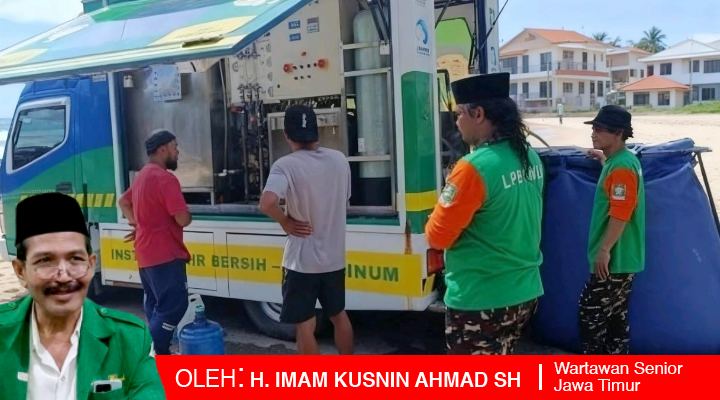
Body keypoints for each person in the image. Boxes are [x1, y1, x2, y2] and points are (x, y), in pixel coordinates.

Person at [0, 193, 165, 399]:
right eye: (45, 260)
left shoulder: (130, 339)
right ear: (21, 271)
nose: (63, 276)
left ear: (91, 265)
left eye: (75, 259)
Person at [425, 72, 545, 355]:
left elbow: (437, 237)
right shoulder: (529, 156)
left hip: (481, 298)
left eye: (459, 114)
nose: (456, 122)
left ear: (478, 114)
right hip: (524, 293)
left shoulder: (473, 168)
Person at [259, 105, 353, 355]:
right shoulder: (339, 160)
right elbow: (344, 201)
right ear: (316, 131)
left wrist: (286, 222)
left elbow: (266, 203)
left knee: (305, 324)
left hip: (302, 262)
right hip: (334, 259)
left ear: (286, 135)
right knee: (339, 315)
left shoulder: (285, 165)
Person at [118, 129, 192, 356]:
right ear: (162, 150)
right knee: (174, 305)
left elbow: (123, 202)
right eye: (174, 147)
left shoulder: (142, 175)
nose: (177, 152)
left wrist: (139, 224)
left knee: (156, 306)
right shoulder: (165, 179)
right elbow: (182, 218)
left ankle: (160, 356)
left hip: (146, 255)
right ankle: (147, 353)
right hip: (165, 254)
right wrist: (188, 215)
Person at [580, 105, 645, 355]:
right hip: (625, 259)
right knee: (616, 316)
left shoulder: (621, 168)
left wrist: (604, 249)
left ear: (618, 133)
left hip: (614, 261)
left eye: (600, 129)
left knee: (591, 314)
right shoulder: (621, 162)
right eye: (594, 128)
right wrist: (603, 159)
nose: (593, 133)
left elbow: (621, 211)